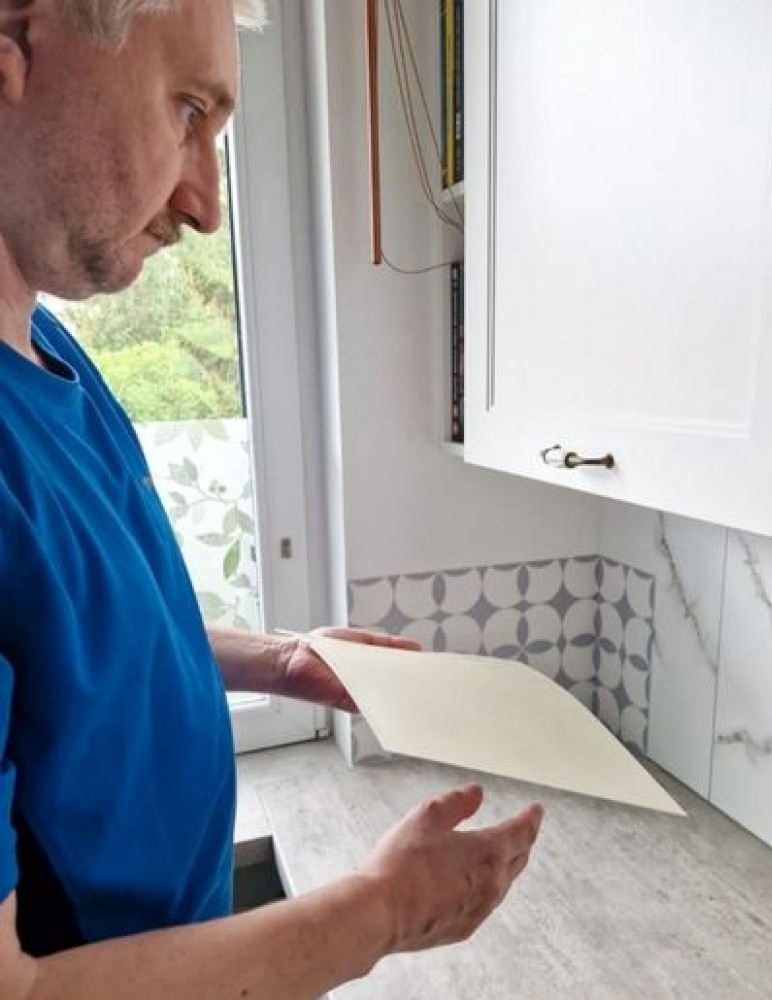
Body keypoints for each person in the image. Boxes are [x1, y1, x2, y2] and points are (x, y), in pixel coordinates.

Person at [0, 0, 544, 997]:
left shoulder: (49, 352)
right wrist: (380, 911)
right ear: (16, 44)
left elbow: (95, 645)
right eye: (188, 110)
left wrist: (284, 660)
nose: (206, 201)